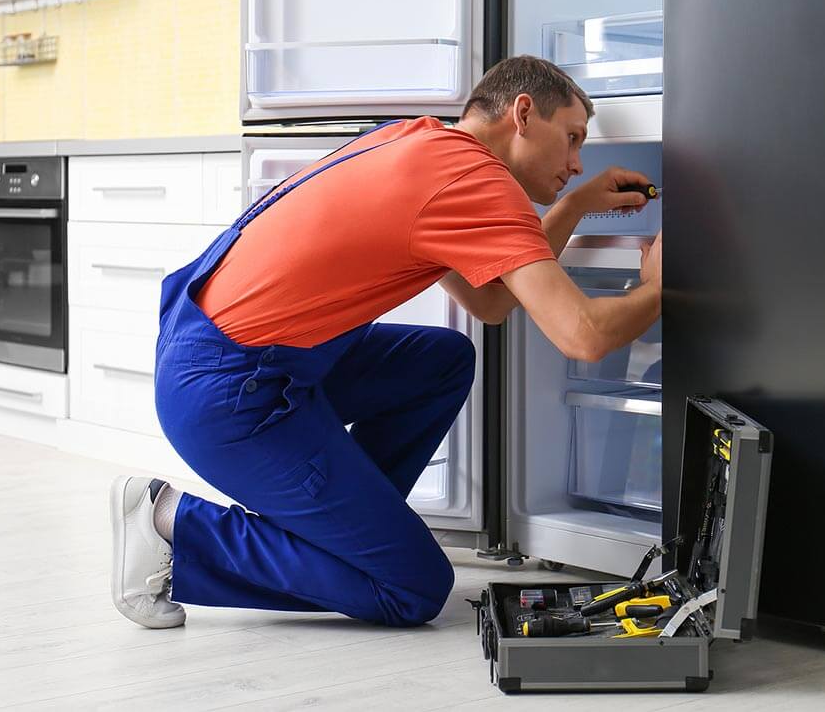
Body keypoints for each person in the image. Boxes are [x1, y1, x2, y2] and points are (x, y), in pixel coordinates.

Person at [109, 55, 663, 630]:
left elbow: (490, 303)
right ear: (523, 113)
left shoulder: (411, 139)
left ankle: (353, 532)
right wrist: (659, 285)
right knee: (411, 589)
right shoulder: (477, 182)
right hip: (234, 397)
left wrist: (572, 207)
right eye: (572, 139)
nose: (576, 164)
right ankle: (170, 524)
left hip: (207, 355)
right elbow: (585, 335)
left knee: (442, 361)